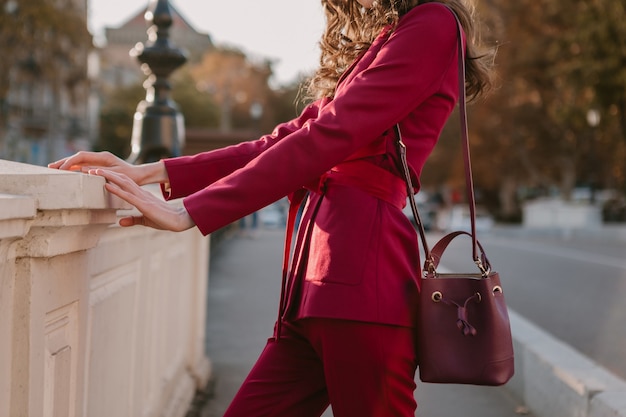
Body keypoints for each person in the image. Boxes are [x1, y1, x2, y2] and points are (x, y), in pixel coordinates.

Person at [49, 0, 493, 415]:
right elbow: (286, 138)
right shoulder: (391, 34)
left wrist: (193, 212)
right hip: (311, 289)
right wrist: (154, 171)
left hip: (364, 286)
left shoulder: (434, 26)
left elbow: (329, 135)